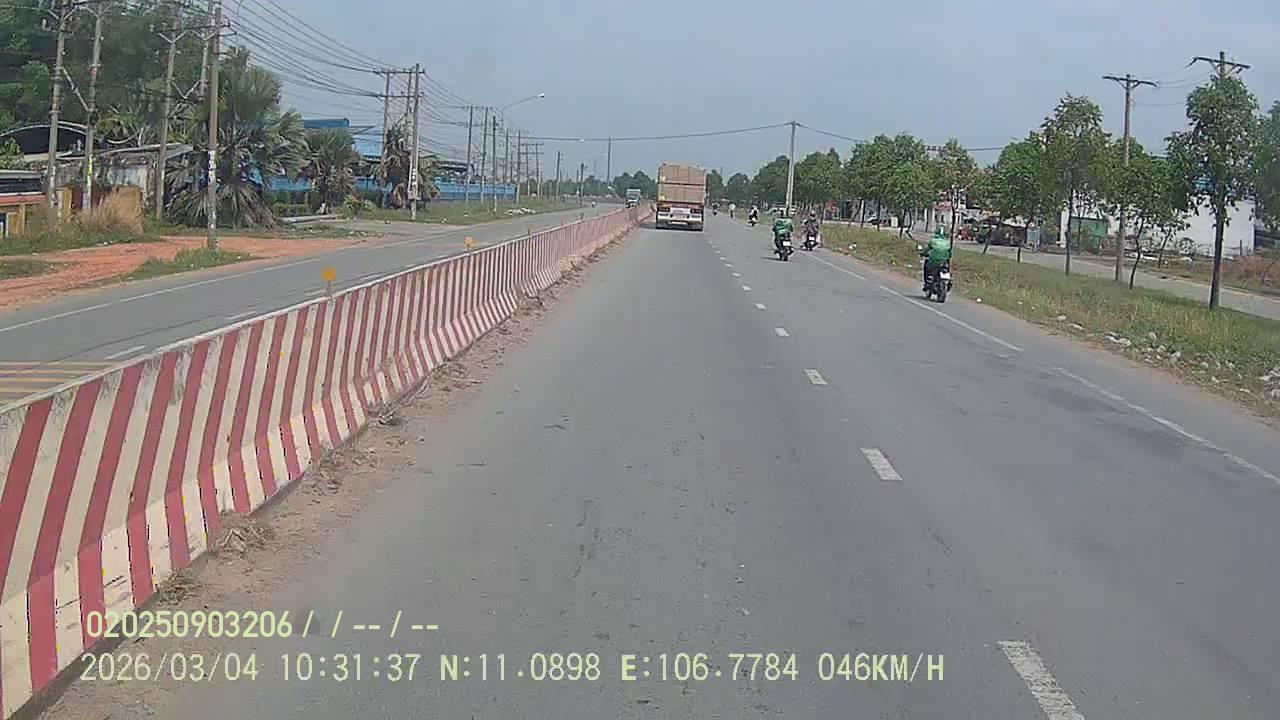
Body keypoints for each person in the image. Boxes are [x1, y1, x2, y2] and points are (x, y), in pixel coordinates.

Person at [920, 225, 953, 291]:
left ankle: (926, 283)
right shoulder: (948, 242)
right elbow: (950, 254)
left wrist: (923, 253)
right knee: (948, 270)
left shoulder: (933, 241)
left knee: (926, 267)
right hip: (944, 262)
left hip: (933, 262)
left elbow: (926, 250)